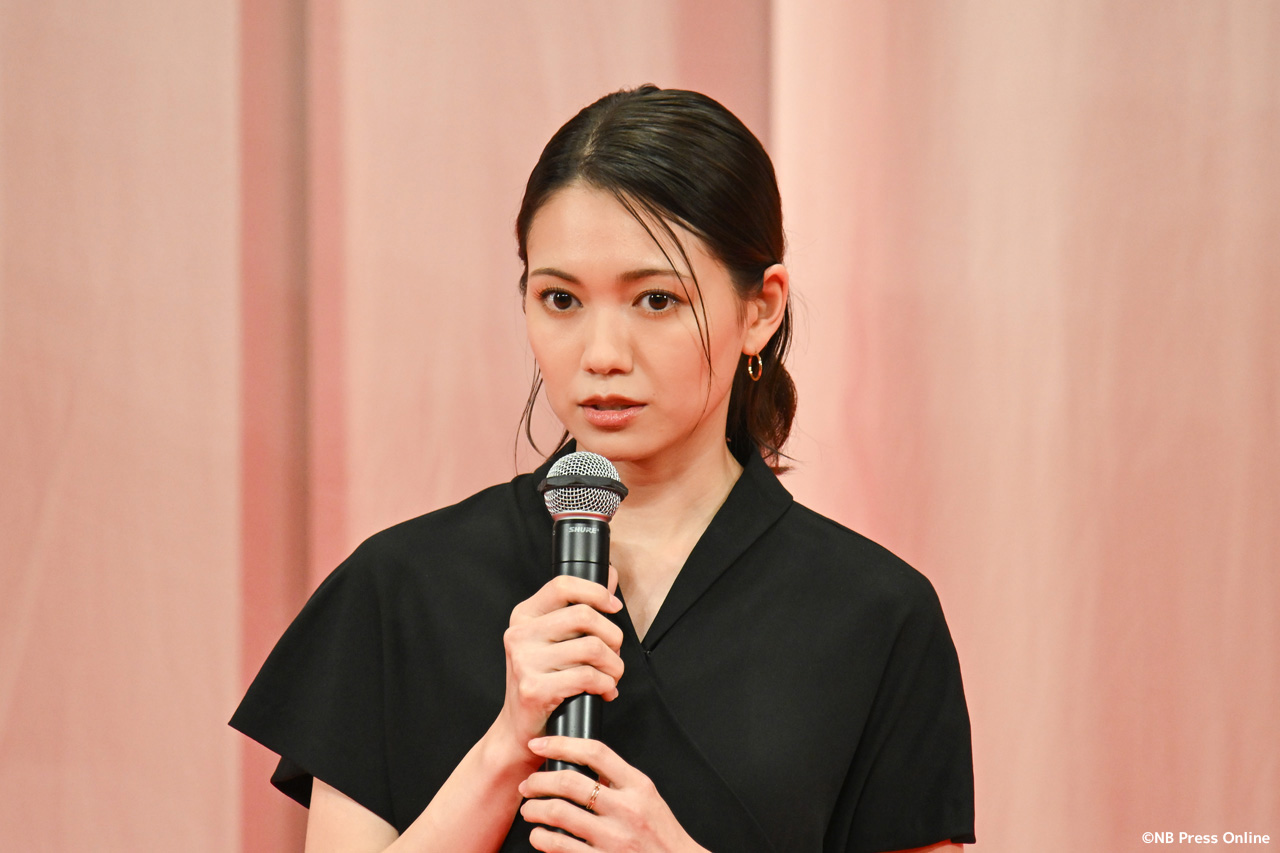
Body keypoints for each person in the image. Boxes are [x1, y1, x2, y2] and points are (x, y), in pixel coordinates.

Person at [231, 85, 975, 853]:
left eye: (655, 300)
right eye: (561, 299)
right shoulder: (401, 587)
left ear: (761, 308)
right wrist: (503, 749)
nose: (602, 354)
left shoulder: (875, 615)